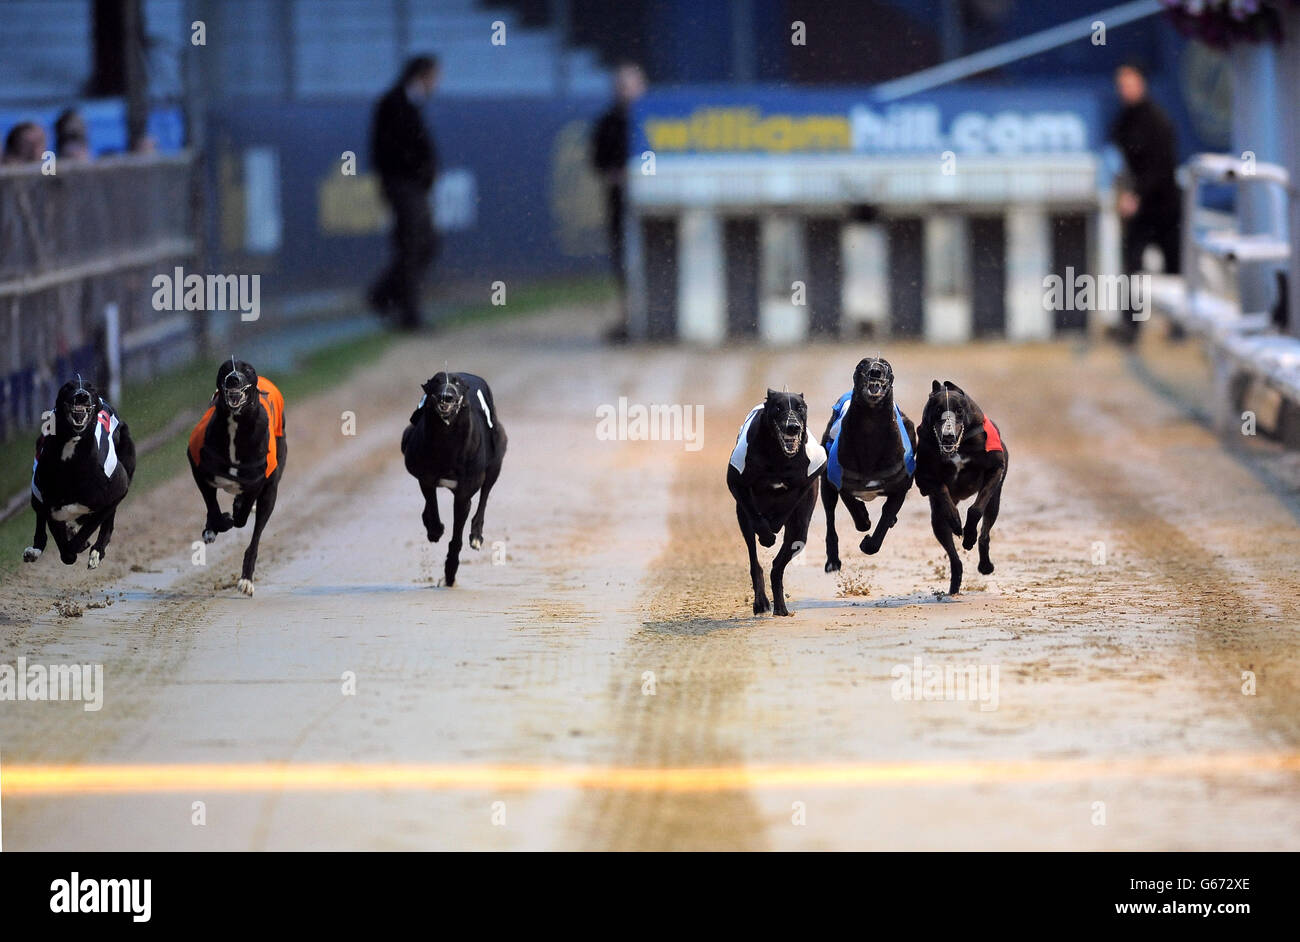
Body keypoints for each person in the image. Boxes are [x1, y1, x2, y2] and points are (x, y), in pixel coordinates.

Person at [1109, 62, 1182, 343]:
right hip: (1137, 210)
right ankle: (1130, 327)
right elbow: (1118, 161)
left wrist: (1137, 195)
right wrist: (1125, 194)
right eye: (1121, 83)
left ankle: (1178, 325)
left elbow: (1161, 167)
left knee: (1174, 268)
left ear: (1142, 83)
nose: (1125, 89)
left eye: (1130, 82)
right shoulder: (1123, 120)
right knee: (1132, 268)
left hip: (1163, 207)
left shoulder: (1158, 121)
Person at [368, 54, 441, 330]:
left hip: (413, 187)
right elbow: (388, 149)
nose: (437, 83)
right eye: (434, 76)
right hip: (401, 185)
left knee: (425, 244)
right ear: (422, 74)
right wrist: (417, 172)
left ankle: (383, 295)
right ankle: (408, 314)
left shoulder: (412, 102)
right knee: (412, 246)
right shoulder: (393, 102)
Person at [590, 62, 647, 342]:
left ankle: (654, 317)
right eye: (621, 85)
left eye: (631, 85)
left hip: (653, 208)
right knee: (624, 262)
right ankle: (630, 319)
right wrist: (621, 176)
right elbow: (599, 164)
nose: (626, 91)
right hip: (620, 205)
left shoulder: (655, 119)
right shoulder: (607, 123)